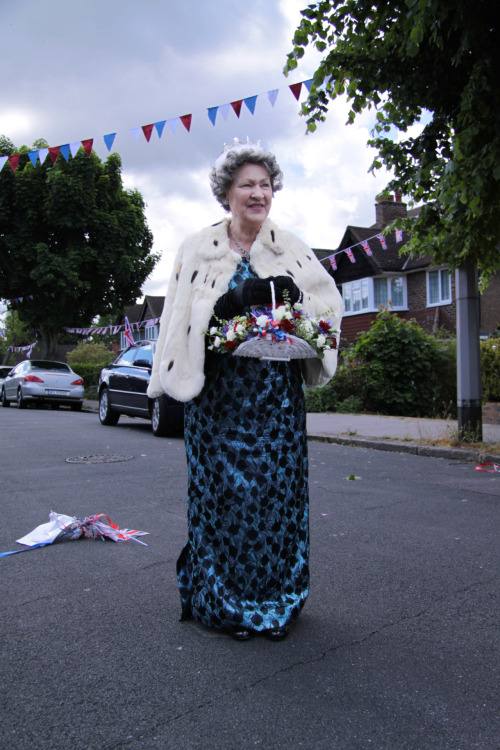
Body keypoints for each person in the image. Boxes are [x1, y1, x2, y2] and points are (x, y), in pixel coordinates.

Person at [148, 138, 342, 641]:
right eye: (246, 185)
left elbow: (329, 308)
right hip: (217, 403)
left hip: (276, 403)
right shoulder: (196, 248)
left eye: (265, 185)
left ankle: (276, 603)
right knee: (225, 502)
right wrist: (230, 301)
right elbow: (177, 322)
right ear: (227, 193)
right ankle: (226, 604)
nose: (258, 194)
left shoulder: (292, 247)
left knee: (276, 502)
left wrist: (301, 308)